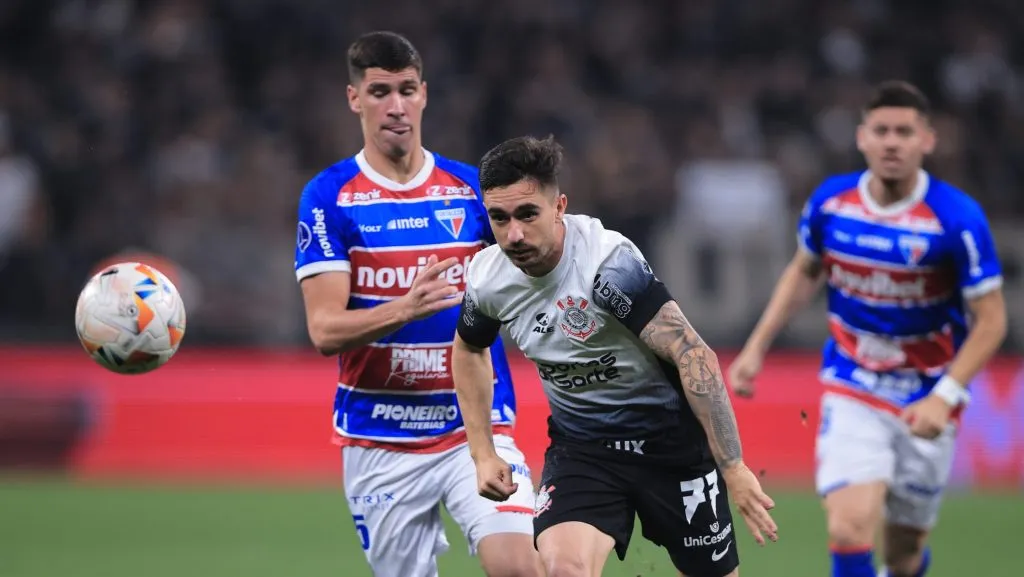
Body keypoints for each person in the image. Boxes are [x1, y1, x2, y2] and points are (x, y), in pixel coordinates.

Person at [451, 135, 778, 577]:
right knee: (564, 569)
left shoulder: (607, 267)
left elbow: (692, 353)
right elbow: (469, 348)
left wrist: (733, 468)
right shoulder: (488, 278)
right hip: (585, 452)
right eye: (499, 218)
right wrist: (482, 452)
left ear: (559, 206)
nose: (514, 234)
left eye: (528, 214)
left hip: (673, 450)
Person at [728, 81, 1007, 577]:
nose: (892, 141)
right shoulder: (832, 204)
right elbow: (804, 270)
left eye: (904, 131)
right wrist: (755, 348)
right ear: (862, 138)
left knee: (903, 554)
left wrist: (944, 396)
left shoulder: (956, 219)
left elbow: (992, 321)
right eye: (882, 130)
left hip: (925, 394)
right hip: (853, 384)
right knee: (849, 528)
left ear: (927, 140)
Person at [293, 31, 541, 577]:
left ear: (424, 94)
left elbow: (532, 273)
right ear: (355, 99)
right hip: (380, 440)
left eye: (406, 89)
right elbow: (324, 329)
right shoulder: (329, 196)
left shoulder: (471, 190)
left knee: (521, 567)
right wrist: (406, 308)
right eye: (380, 91)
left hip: (474, 430)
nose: (396, 106)